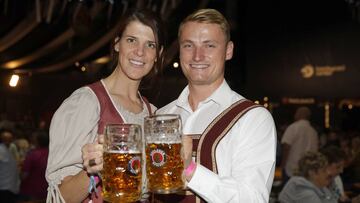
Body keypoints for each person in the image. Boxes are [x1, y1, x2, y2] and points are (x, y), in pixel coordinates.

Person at [156, 8, 277, 202]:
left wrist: (190, 169)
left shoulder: (252, 118)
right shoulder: (161, 116)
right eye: (188, 45)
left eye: (209, 46)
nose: (197, 56)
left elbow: (252, 199)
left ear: (228, 51)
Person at [45, 8, 165, 203]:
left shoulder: (155, 114)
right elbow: (61, 197)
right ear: (117, 44)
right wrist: (92, 171)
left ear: (158, 54)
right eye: (131, 40)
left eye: (150, 45)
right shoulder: (86, 103)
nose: (140, 52)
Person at [281, 106, 318, 182]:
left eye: (296, 112)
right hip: (307, 171)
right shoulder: (313, 132)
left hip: (292, 169)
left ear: (300, 114)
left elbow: (286, 146)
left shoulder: (293, 127)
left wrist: (283, 164)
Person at [19, 131, 49, 201]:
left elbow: (24, 175)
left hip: (32, 190)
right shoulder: (52, 153)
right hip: (47, 189)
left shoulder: (32, 154)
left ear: (37, 141)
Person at [0, 129, 20, 203]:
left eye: (10, 138)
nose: (8, 140)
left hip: (11, 187)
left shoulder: (9, 149)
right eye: (5, 138)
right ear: (2, 139)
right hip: (3, 187)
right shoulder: (1, 149)